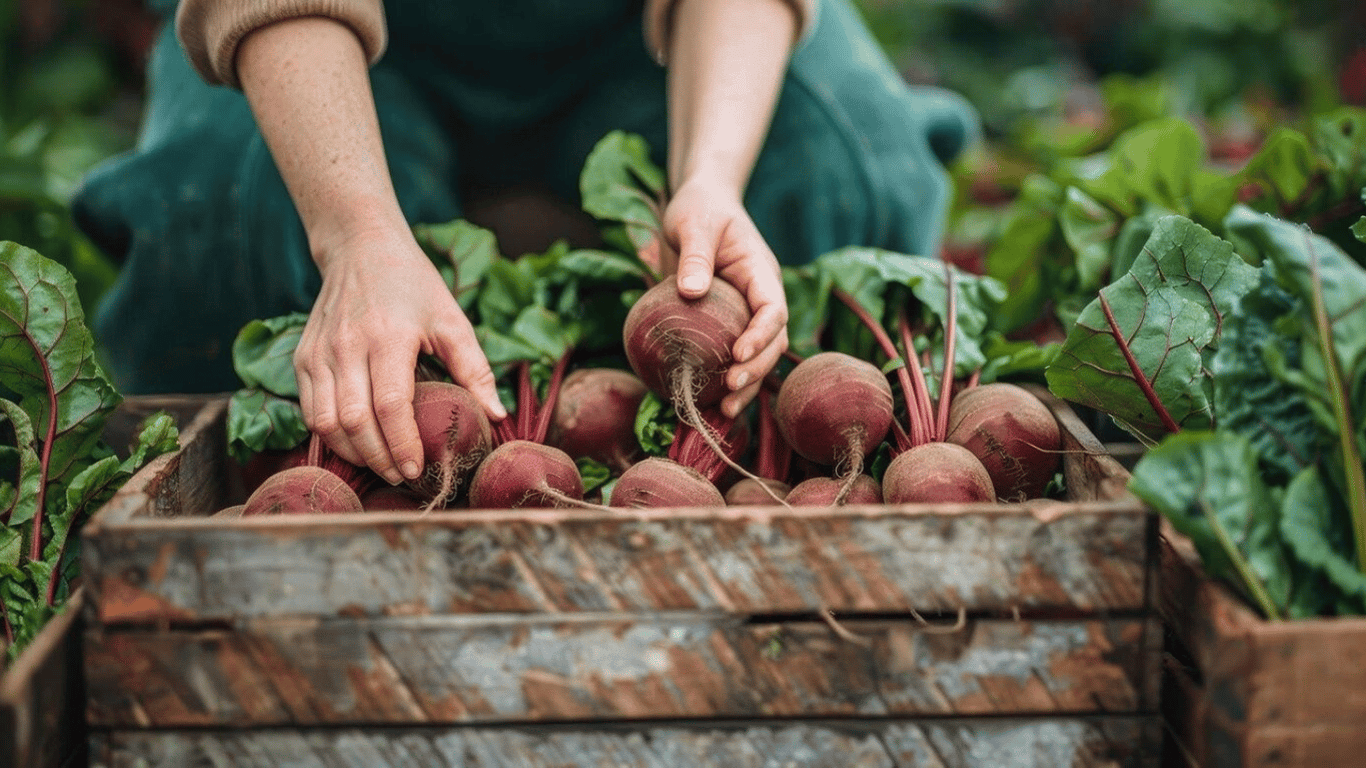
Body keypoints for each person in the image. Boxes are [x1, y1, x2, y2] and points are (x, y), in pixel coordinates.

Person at [74, 0, 977, 488]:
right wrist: (354, 233)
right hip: (347, 37)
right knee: (214, 208)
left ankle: (771, 448)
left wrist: (710, 178)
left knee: (847, 173)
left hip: (635, 40)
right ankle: (216, 467)